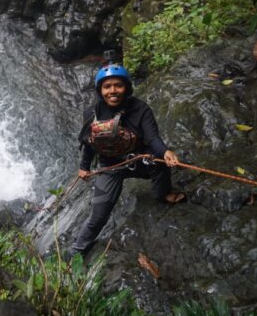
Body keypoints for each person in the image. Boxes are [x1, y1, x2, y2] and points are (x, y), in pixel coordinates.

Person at [70, 59, 184, 259]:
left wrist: (165, 151)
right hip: (110, 165)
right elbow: (89, 142)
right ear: (100, 90)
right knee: (98, 216)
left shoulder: (141, 109)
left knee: (159, 161)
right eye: (107, 87)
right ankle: (78, 251)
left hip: (140, 160)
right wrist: (84, 167)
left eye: (118, 85)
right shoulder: (92, 113)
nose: (112, 91)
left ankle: (163, 193)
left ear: (127, 88)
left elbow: (152, 137)